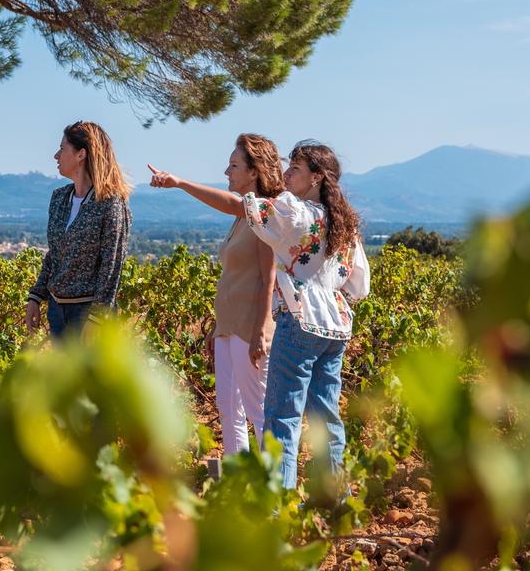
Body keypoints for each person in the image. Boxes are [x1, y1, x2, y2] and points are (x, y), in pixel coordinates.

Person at [149, 140, 370, 489]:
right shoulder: (345, 226)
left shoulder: (295, 212)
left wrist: (181, 183)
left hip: (299, 320)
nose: (286, 173)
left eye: (295, 169)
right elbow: (358, 285)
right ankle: (335, 502)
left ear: (316, 178)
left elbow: (240, 206)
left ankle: (276, 508)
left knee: (280, 419)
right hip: (336, 326)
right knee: (327, 420)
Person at [149, 134, 284, 454]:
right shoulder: (242, 219)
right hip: (229, 327)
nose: (226, 172)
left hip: (250, 328)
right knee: (229, 410)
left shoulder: (263, 214)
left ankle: (273, 492)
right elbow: (235, 278)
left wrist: (180, 182)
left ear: (254, 172)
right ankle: (238, 487)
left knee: (258, 413)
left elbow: (269, 278)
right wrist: (216, 327)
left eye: (234, 165)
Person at [26, 121, 132, 337]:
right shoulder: (59, 198)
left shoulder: (111, 204)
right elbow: (55, 254)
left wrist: (97, 318)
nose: (56, 155)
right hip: (57, 311)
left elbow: (111, 265)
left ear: (81, 154)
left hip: (88, 314)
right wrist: (35, 296)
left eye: (62, 148)